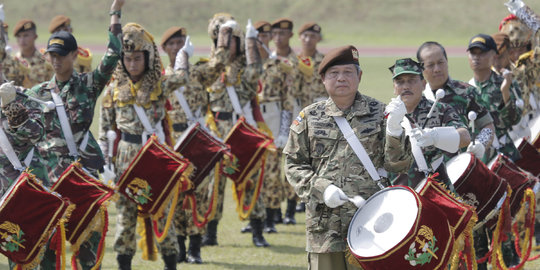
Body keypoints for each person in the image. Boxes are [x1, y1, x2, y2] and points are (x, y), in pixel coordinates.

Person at [3, 1, 125, 269]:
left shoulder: (88, 85)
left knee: (88, 246)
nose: (56, 61)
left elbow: (114, 54)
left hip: (83, 178)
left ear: (73, 55)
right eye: (52, 56)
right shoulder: (39, 93)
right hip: (50, 181)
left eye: (62, 55)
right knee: (47, 248)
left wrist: (115, 13)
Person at [284, 45, 412, 269]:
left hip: (371, 226)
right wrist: (322, 188)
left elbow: (397, 164)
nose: (341, 78)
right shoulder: (309, 117)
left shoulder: (380, 113)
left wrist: (394, 131)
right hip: (324, 229)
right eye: (334, 73)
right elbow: (293, 165)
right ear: (323, 79)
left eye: (348, 72)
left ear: (359, 76)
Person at [99, 19, 188, 269]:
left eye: (138, 58)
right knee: (125, 217)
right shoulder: (114, 90)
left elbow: (181, 77)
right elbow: (105, 130)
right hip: (125, 157)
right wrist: (105, 162)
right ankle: (123, 263)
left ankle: (170, 261)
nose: (132, 64)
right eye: (127, 59)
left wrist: (183, 56)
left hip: (154, 156)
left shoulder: (159, 85)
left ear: (148, 58)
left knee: (161, 211)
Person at [201, 13, 270, 248]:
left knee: (249, 179)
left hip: (240, 129)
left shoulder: (246, 69)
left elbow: (255, 75)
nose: (226, 45)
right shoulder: (208, 69)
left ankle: (258, 231)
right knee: (214, 185)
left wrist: (251, 44)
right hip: (216, 130)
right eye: (221, 40)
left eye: (231, 40)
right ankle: (210, 233)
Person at [388, 58, 470, 189]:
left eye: (411, 80)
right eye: (400, 82)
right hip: (401, 197)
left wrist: (435, 136)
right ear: (394, 87)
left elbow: (465, 137)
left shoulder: (440, 110)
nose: (406, 86)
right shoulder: (386, 117)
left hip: (437, 192)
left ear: (423, 84)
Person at [416, 41, 495, 160]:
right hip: (434, 173)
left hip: (464, 166)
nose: (437, 69)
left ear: (447, 62)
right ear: (421, 69)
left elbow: (487, 125)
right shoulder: (416, 99)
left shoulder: (466, 92)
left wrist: (480, 143)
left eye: (440, 62)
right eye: (430, 65)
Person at [258, 18, 299, 228]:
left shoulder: (291, 61)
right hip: (262, 118)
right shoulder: (262, 60)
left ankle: (289, 210)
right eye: (274, 34)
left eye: (282, 33)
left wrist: (286, 128)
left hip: (287, 118)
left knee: (290, 167)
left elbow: (289, 97)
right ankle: (270, 213)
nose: (277, 38)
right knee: (269, 170)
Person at [467, 33, 522, 162]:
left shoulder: (505, 82)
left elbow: (514, 120)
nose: (476, 57)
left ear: (493, 54)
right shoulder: (466, 89)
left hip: (505, 154)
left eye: (481, 53)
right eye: (473, 53)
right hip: (482, 159)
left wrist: (505, 92)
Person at [13, 19, 54, 88]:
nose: (22, 40)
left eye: (26, 36)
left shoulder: (46, 62)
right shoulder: (13, 62)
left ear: (35, 37)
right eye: (19, 36)